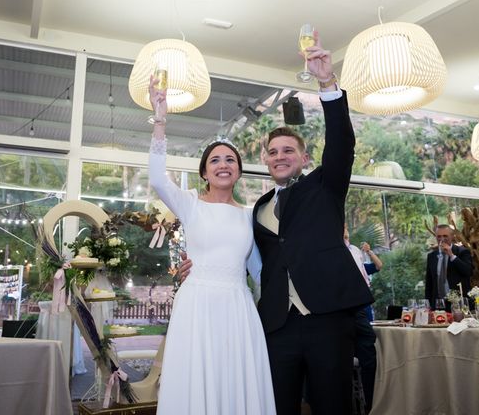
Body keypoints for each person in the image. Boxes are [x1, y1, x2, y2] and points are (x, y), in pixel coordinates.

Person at [182, 29, 372, 414]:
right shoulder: (257, 208)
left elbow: (341, 144)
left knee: (332, 406)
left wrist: (327, 84)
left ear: (303, 159)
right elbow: (237, 253)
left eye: (288, 150)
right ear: (265, 162)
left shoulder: (325, 186)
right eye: (272, 152)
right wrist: (195, 264)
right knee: (276, 406)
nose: (279, 156)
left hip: (327, 319)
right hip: (276, 325)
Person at [147, 76, 276, 414]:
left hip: (238, 307)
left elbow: (261, 273)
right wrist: (160, 119)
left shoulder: (251, 216)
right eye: (215, 160)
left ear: (239, 171)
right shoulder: (190, 204)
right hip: (197, 305)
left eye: (230, 160)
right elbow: (158, 178)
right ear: (204, 171)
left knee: (236, 383)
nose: (223, 164)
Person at [344, 226, 382, 413]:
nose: (345, 229)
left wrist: (369, 251)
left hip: (362, 304)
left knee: (368, 349)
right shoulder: (336, 250)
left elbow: (377, 266)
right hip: (348, 307)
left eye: (345, 226)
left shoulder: (355, 251)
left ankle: (370, 401)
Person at [424, 224, 473, 309]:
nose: (442, 239)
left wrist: (451, 255)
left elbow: (468, 271)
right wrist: (427, 303)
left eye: (445, 236)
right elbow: (429, 281)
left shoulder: (462, 252)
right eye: (439, 236)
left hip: (458, 302)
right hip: (438, 303)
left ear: (452, 236)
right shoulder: (432, 256)